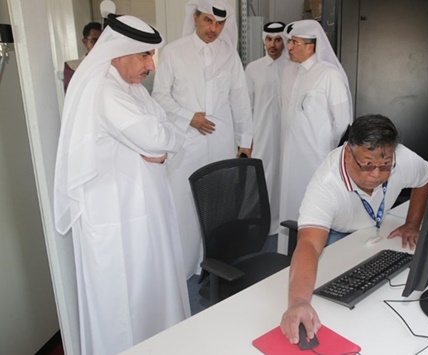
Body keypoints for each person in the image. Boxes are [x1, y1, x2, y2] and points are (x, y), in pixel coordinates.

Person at [53, 15, 190, 355]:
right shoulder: (105, 91)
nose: (151, 64)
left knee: (148, 298)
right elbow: (158, 136)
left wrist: (161, 145)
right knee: (123, 310)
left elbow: (167, 131)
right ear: (118, 52)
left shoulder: (130, 89)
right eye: (144, 55)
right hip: (117, 222)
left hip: (139, 213)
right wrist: (160, 144)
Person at [279, 114, 428, 344]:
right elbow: (310, 244)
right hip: (337, 235)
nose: (376, 174)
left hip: (375, 233)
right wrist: (298, 302)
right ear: (348, 152)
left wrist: (412, 222)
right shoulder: (326, 184)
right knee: (337, 306)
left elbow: (426, 177)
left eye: (385, 166)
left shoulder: (399, 158)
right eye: (367, 164)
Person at [152, 0, 253, 278]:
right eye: (208, 21)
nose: (214, 29)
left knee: (219, 203)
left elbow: (240, 99)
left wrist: (245, 139)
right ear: (195, 18)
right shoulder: (174, 52)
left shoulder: (229, 54)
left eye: (220, 23)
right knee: (185, 203)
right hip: (185, 141)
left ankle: (214, 262)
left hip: (220, 142)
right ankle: (185, 266)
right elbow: (159, 96)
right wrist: (188, 116)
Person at [278, 19, 353, 236]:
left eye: (295, 42)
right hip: (290, 156)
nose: (289, 47)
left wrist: (324, 148)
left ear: (311, 46)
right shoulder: (289, 72)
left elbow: (342, 122)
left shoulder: (329, 75)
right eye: (289, 41)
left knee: (314, 205)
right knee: (291, 201)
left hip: (316, 157)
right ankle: (289, 251)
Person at [245, 21, 288, 235]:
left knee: (284, 175)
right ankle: (258, 224)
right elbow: (247, 106)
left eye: (278, 40)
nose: (273, 44)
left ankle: (284, 221)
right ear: (264, 41)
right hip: (261, 133)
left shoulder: (293, 67)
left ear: (285, 42)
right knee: (261, 176)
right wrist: (246, 140)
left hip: (287, 135)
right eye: (269, 40)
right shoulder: (253, 68)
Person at [63, 21, 102, 92]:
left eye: (103, 40)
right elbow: (70, 95)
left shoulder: (115, 63)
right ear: (85, 41)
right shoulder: (73, 66)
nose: (99, 44)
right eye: (95, 40)